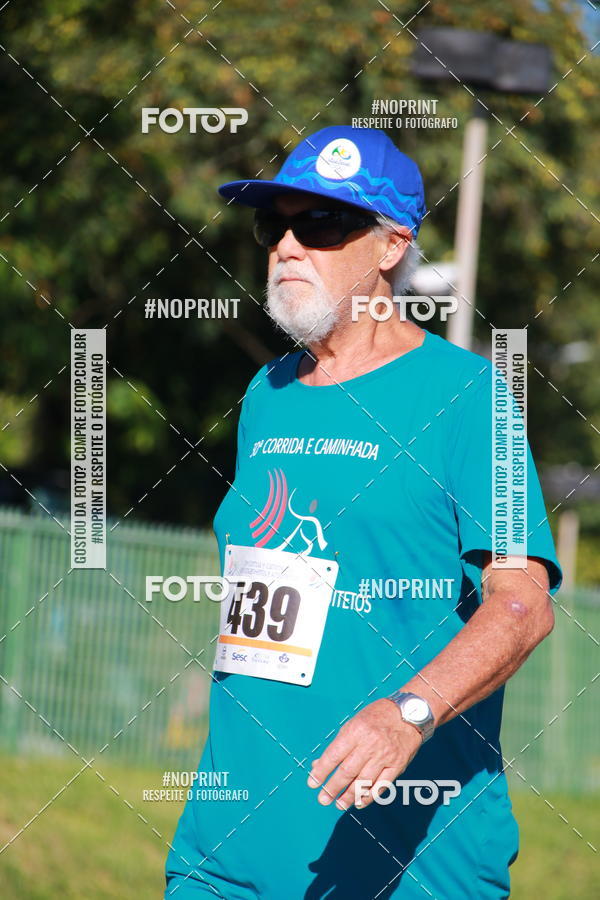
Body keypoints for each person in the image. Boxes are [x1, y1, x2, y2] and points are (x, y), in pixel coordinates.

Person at [165, 126, 562, 898]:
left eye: (318, 224)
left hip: (403, 869)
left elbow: (522, 606)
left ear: (390, 247)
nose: (286, 245)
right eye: (272, 225)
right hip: (226, 862)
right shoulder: (265, 396)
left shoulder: (469, 399)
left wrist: (406, 714)